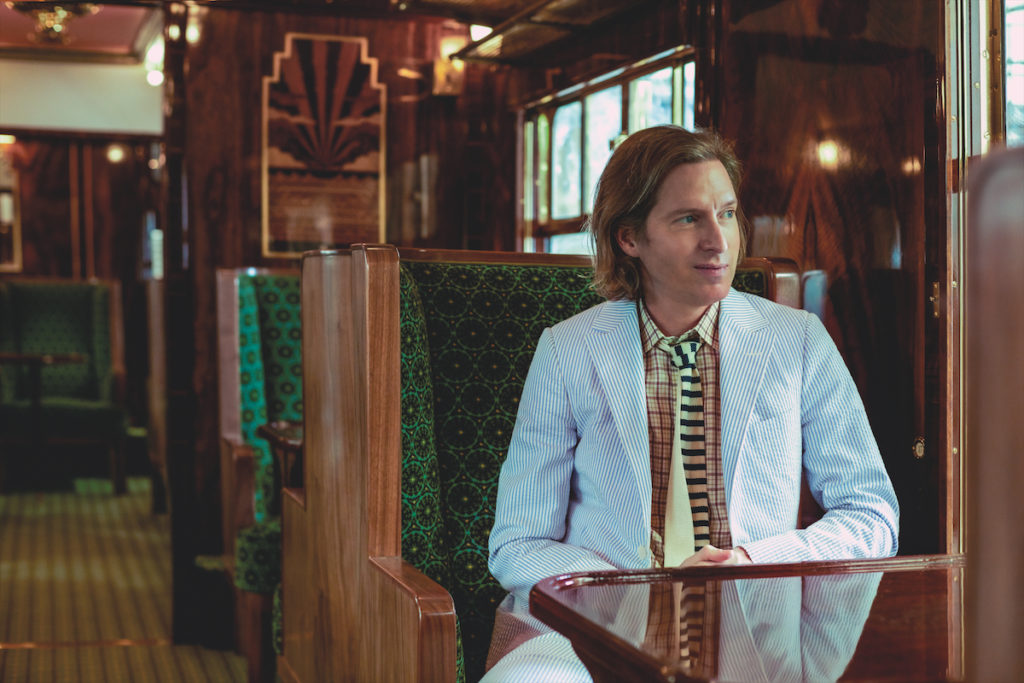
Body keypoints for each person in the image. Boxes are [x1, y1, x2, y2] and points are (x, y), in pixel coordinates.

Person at [481, 125, 899, 681]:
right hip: (584, 632)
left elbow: (870, 514)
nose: (719, 241)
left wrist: (752, 564)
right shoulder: (568, 349)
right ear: (630, 238)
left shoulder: (797, 340)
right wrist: (634, 593)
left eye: (726, 213)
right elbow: (518, 541)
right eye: (688, 218)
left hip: (757, 626)